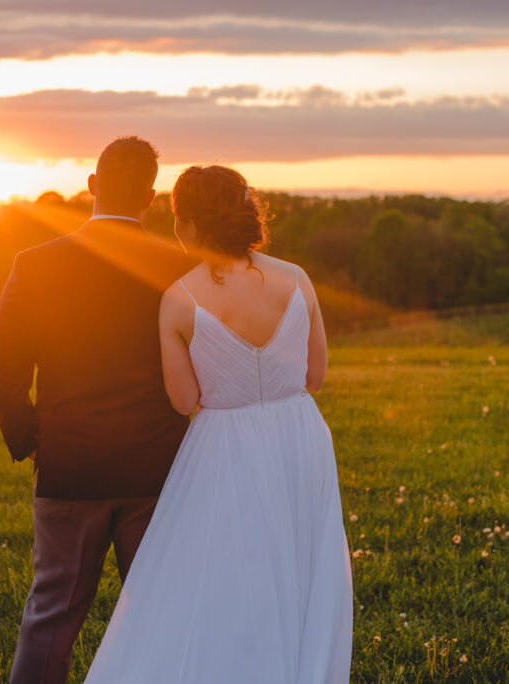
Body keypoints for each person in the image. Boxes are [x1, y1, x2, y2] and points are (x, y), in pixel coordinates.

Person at [84, 165, 353, 683]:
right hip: (299, 436)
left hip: (225, 443)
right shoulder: (297, 278)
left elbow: (184, 399)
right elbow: (315, 376)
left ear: (185, 225)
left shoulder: (178, 300)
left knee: (226, 572)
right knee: (303, 564)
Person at [0, 136, 197, 684]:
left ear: (92, 186)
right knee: (159, 614)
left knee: (52, 615)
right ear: (150, 197)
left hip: (70, 466)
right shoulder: (181, 270)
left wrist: (34, 440)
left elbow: (5, 374)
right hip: (156, 470)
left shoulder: (34, 265)